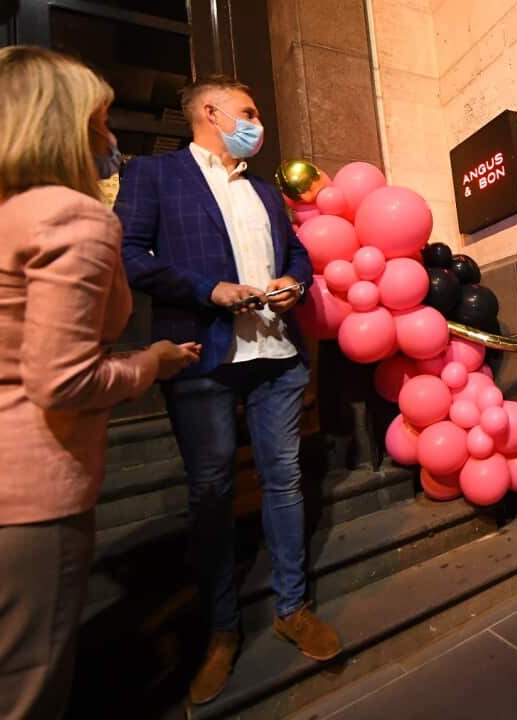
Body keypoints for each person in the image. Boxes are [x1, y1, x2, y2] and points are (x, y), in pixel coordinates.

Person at [0, 46, 199, 718]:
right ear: (62, 126)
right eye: (100, 122)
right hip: (14, 499)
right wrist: (150, 362)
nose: (111, 138)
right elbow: (62, 380)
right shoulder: (71, 216)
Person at [115, 75, 338, 706]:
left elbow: (298, 255)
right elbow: (128, 255)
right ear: (210, 112)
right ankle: (221, 630)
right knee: (211, 491)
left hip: (277, 355)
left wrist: (296, 283)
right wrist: (206, 289)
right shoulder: (154, 175)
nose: (257, 123)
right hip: (202, 357)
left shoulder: (264, 190)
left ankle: (292, 607)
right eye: (248, 112)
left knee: (284, 480)